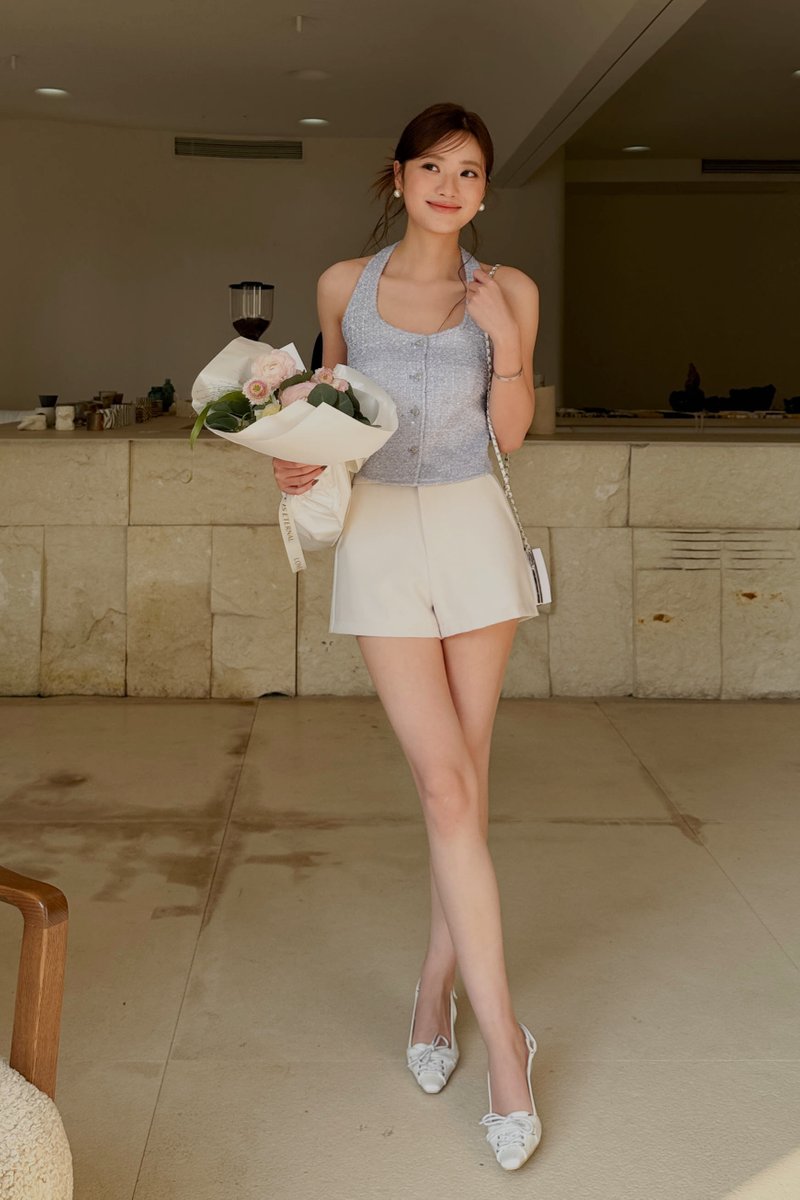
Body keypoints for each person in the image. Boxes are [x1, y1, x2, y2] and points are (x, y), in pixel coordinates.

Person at [272, 101, 543, 1171]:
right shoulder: (345, 284)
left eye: (467, 172)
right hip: (380, 535)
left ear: (483, 192)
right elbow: (329, 407)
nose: (447, 185)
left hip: (473, 527)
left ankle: (444, 997)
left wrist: (506, 338)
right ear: (396, 178)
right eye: (430, 166)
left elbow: (511, 432)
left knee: (461, 789)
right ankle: (505, 1043)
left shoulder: (509, 289)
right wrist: (297, 453)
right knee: (443, 786)